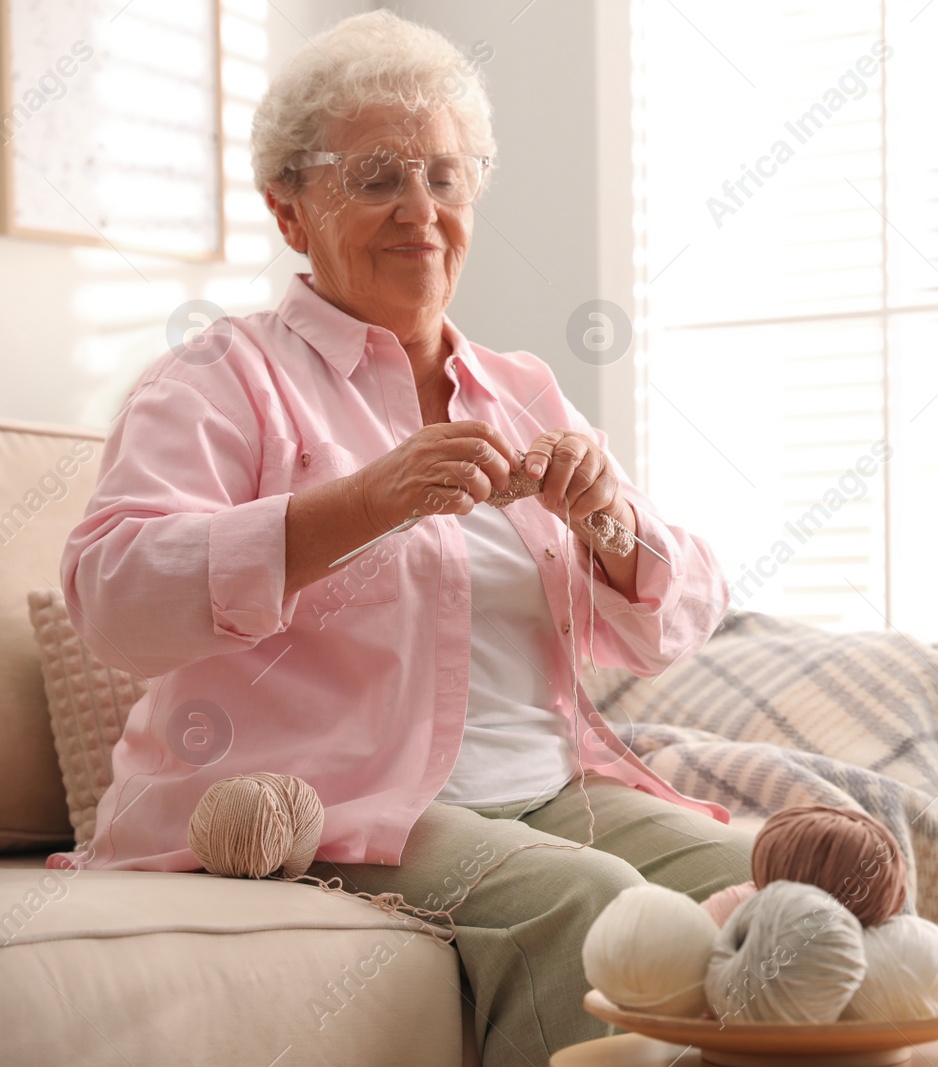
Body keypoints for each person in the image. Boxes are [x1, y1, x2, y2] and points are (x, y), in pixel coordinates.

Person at [48, 11, 752, 1064]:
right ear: (291, 211)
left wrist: (606, 518)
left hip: (549, 792)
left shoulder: (520, 388)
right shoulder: (217, 382)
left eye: (445, 175)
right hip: (327, 800)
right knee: (594, 904)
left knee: (799, 879)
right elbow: (111, 594)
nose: (420, 210)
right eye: (377, 177)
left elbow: (677, 617)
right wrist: (361, 501)